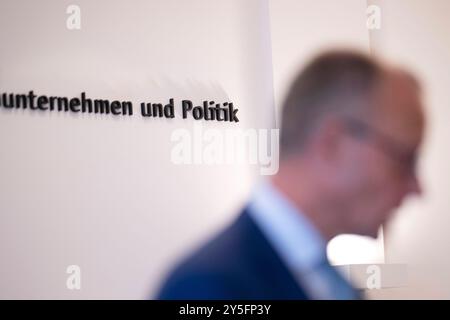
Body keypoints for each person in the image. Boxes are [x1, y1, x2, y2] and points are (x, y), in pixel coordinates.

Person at [156, 50, 425, 299]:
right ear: (333, 144)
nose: (417, 188)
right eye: (404, 159)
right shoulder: (205, 289)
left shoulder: (333, 284)